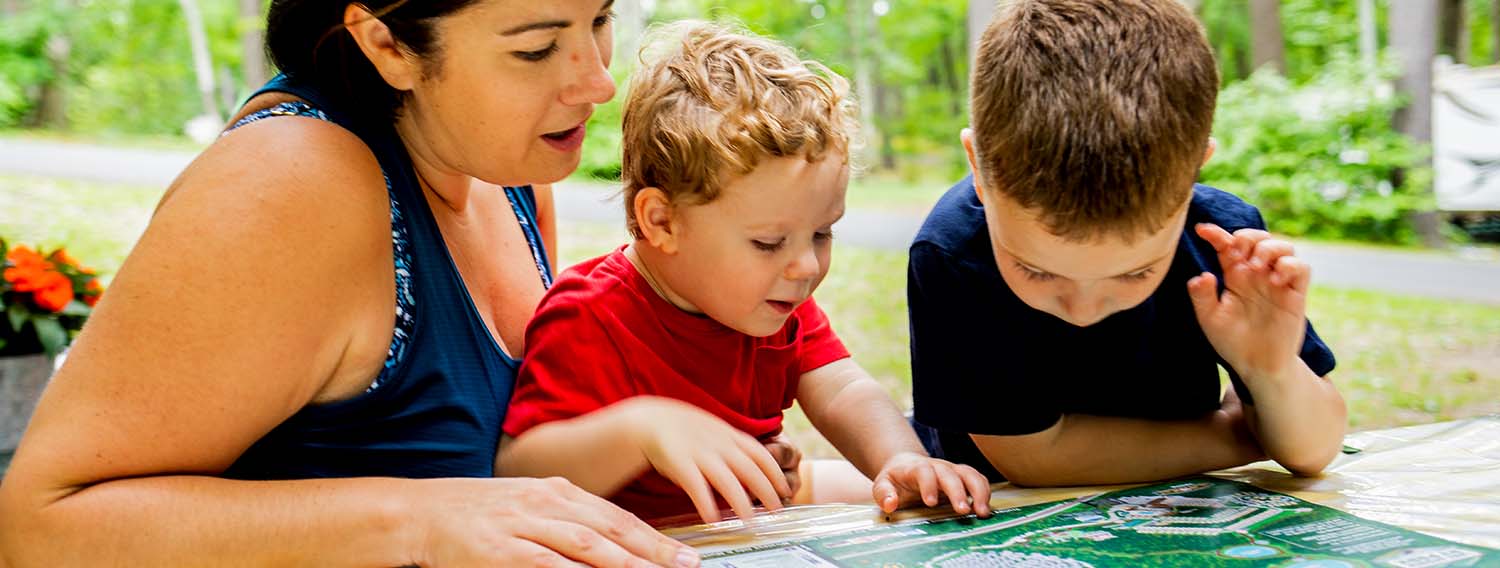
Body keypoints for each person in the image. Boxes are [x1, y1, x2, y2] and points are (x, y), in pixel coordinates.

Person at [0, 2, 766, 565]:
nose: (598, 83)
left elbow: (511, 477)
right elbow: (41, 528)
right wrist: (415, 517)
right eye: (537, 50)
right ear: (387, 45)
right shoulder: (290, 184)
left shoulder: (506, 168)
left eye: (598, 20)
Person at [495, 22, 993, 525]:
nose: (805, 266)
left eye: (822, 234)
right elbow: (517, 473)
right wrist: (640, 432)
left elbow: (843, 389)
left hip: (752, 519)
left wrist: (899, 460)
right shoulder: (591, 316)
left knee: (909, 503)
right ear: (662, 221)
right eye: (769, 243)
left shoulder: (773, 299)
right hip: (639, 536)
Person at [906, 0, 1347, 488]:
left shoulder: (1225, 243)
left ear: (1193, 174)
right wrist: (1242, 436)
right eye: (1037, 270)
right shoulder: (953, 252)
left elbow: (1313, 451)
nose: (1083, 308)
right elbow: (1032, 458)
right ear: (979, 169)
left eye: (1135, 272)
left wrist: (1271, 369)